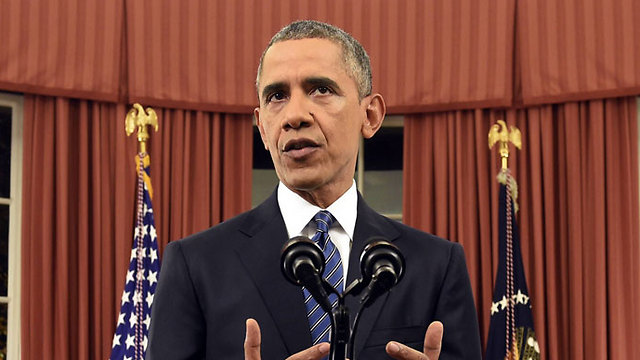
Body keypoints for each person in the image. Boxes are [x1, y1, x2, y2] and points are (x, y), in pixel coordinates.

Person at [147, 20, 482, 360]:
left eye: (320, 90)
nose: (294, 115)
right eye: (277, 96)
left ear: (370, 115)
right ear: (263, 127)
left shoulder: (437, 265)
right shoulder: (195, 264)